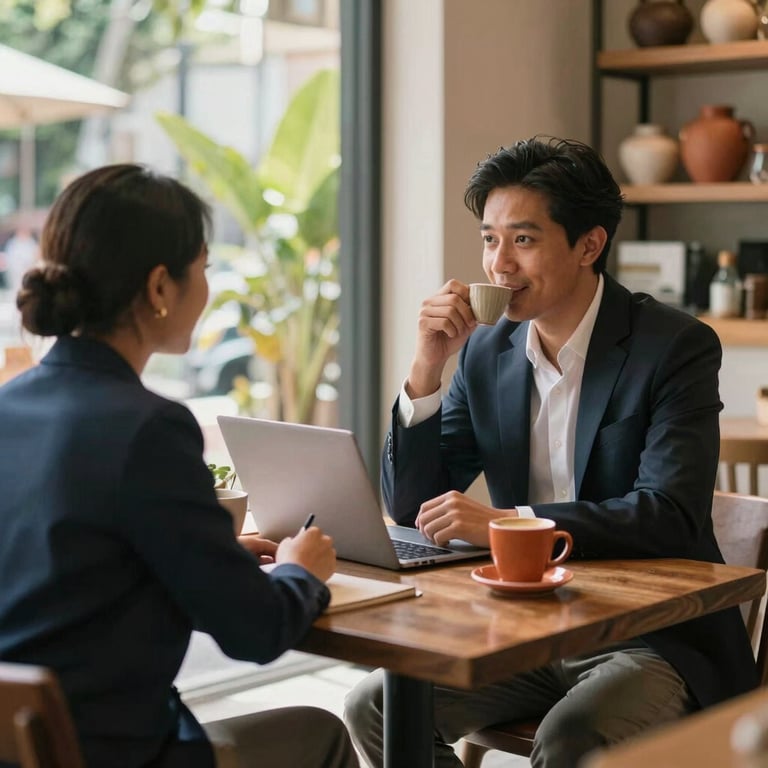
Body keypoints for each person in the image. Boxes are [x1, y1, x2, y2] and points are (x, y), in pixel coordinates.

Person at [344, 136, 757, 768]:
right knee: (374, 706)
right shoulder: (485, 353)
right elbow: (408, 506)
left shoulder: (674, 347)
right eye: (489, 239)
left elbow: (668, 513)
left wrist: (512, 524)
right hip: (528, 630)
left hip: (652, 639)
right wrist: (426, 369)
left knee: (572, 739)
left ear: (590, 244)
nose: (499, 264)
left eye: (524, 240)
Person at [0, 164, 358, 768]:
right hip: (118, 754)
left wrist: (209, 560)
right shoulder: (149, 429)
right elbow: (257, 633)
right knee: (319, 733)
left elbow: (66, 578)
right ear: (161, 287)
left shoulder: (10, 406)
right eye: (205, 268)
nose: (207, 286)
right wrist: (302, 571)